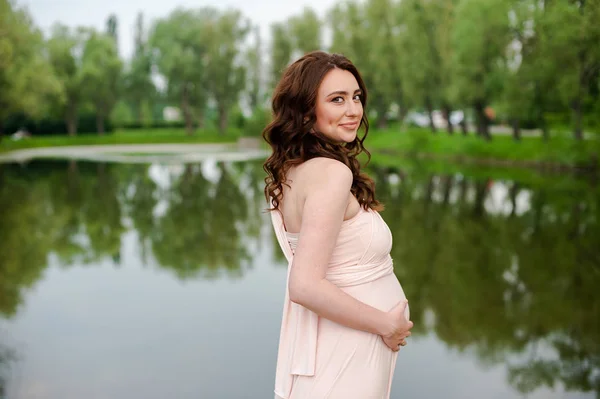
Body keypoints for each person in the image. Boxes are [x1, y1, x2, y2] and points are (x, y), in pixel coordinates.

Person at [263, 51, 413, 399]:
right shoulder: (331, 173)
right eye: (337, 99)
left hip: (340, 343)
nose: (353, 110)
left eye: (356, 97)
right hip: (348, 348)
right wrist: (387, 325)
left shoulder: (294, 170)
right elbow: (304, 285)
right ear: (305, 110)